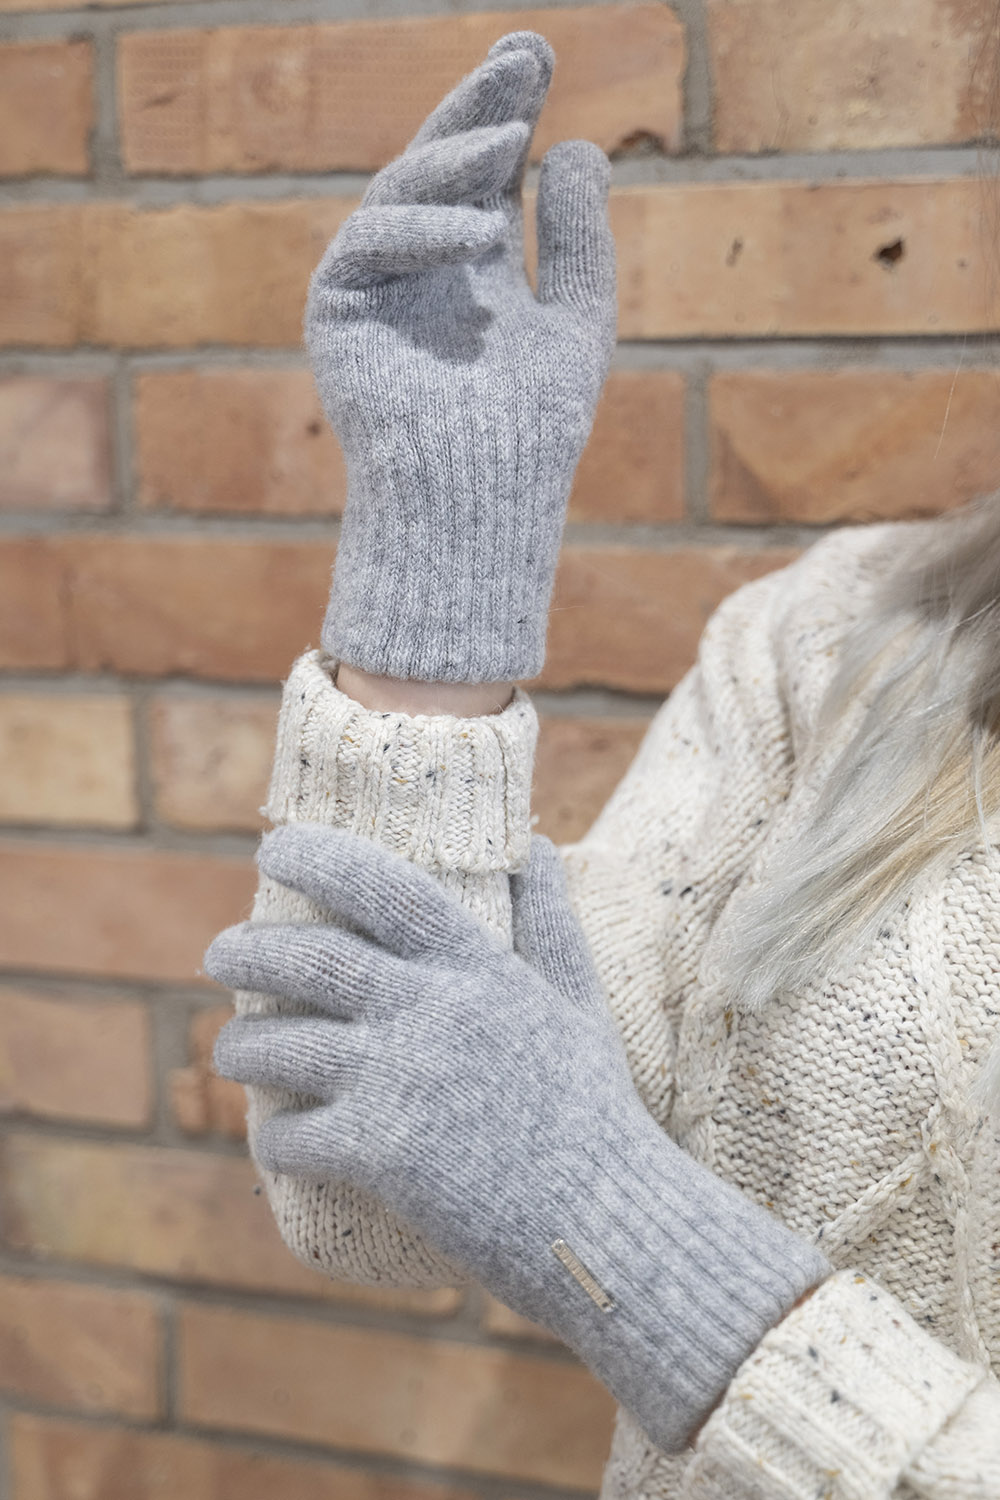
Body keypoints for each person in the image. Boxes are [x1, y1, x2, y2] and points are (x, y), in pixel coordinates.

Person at [203, 30, 1000, 1499]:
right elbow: (365, 1203)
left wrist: (629, 1233)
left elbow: (568, 1194)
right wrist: (445, 557)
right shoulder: (841, 642)